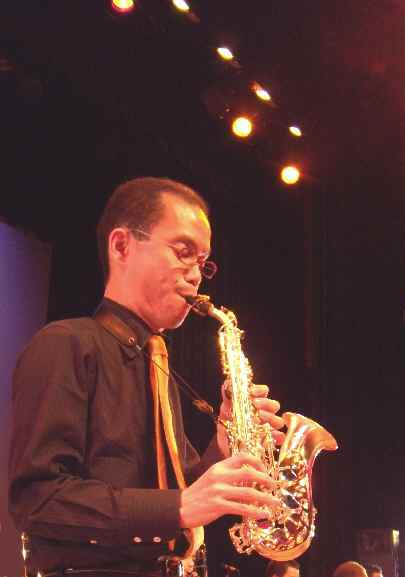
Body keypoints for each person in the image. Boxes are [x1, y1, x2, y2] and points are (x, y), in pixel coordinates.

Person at [8, 177, 286, 576]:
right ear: (121, 245)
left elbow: (178, 488)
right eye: (183, 252)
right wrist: (179, 507)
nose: (196, 275)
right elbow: (37, 499)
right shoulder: (65, 344)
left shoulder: (157, 365)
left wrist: (224, 443)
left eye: (203, 263)